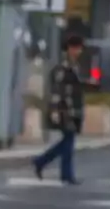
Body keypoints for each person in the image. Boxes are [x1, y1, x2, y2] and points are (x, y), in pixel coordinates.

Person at [33, 35, 85, 185]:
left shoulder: (74, 65)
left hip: (72, 109)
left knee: (68, 141)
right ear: (70, 48)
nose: (79, 51)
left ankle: (42, 162)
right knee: (68, 141)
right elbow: (56, 89)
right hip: (64, 109)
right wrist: (54, 110)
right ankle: (65, 174)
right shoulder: (62, 66)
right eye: (77, 48)